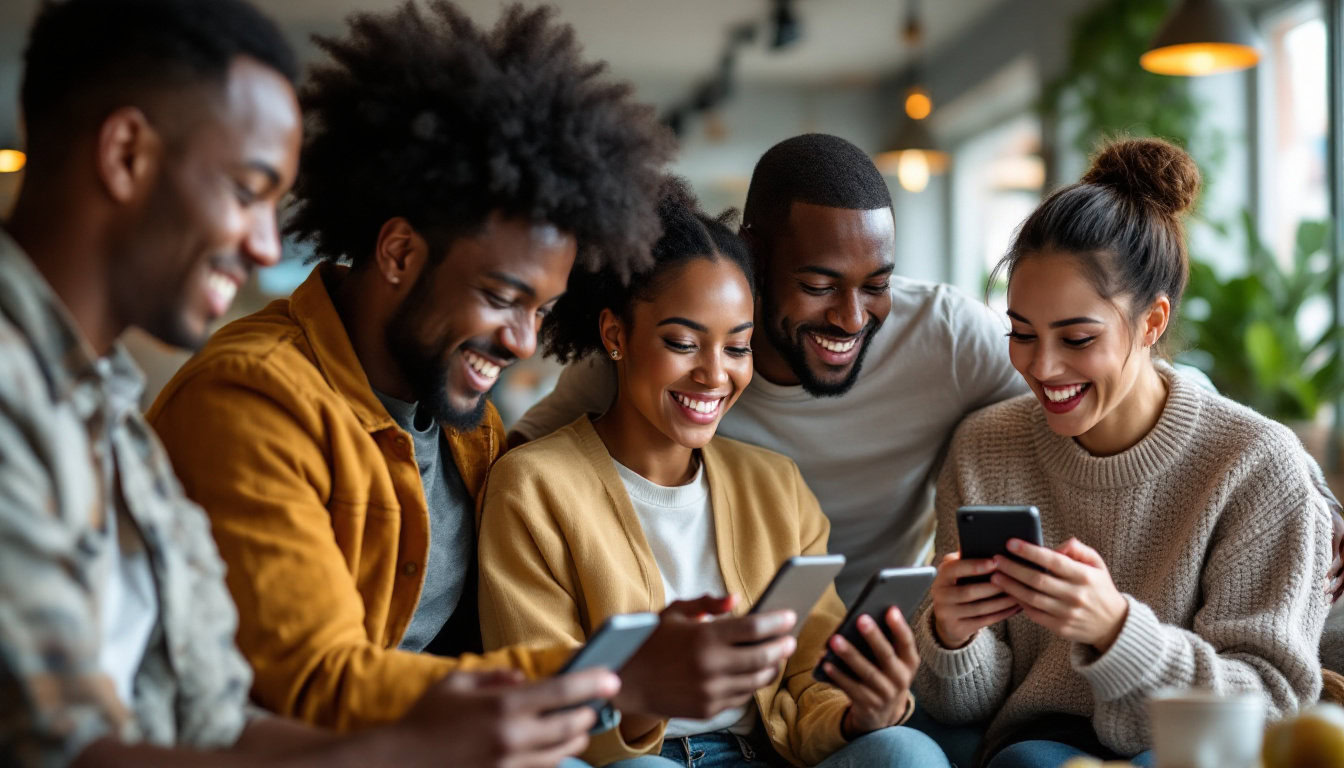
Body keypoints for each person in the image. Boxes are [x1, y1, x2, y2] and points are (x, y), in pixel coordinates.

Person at [0, 0, 619, 766]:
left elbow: (215, 717)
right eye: (247, 189)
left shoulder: (107, 412)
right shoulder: (198, 394)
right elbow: (62, 752)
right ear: (127, 154)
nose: (266, 249)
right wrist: (416, 748)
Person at [144, 0, 672, 736]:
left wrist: (640, 680)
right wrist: (597, 675)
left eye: (543, 311)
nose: (523, 342)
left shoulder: (466, 424)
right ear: (398, 254)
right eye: (501, 297)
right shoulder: (251, 400)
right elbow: (315, 683)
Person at [477, 180, 950, 768]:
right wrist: (649, 696)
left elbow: (809, 679)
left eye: (737, 348)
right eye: (682, 342)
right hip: (632, 761)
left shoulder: (776, 487)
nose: (713, 375)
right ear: (615, 335)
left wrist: (858, 714)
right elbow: (541, 705)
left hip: (766, 755)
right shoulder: (533, 487)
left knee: (906, 750)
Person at [911, 138, 1331, 768]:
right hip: (1037, 749)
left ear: (1153, 323)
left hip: (1187, 752)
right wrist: (951, 635)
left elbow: (1274, 706)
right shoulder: (984, 447)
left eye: (1077, 338)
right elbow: (963, 706)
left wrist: (1115, 631)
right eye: (1021, 334)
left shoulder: (1254, 463)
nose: (1043, 366)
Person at [510, 134, 1026, 604]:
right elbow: (519, 458)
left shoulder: (950, 336)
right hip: (749, 652)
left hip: (895, 639)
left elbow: (1063, 414)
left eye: (876, 286)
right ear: (755, 256)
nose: (851, 318)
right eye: (819, 287)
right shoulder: (656, 358)